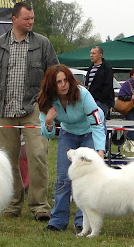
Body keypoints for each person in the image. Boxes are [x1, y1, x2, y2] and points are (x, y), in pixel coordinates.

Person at [0, 2, 58, 221]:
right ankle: (13, 204)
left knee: (38, 156)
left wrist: (52, 106)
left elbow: (55, 75)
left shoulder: (43, 44)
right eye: (27, 19)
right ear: (14, 19)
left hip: (33, 109)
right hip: (4, 110)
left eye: (32, 18)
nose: (31, 22)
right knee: (7, 161)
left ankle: (40, 206)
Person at [39, 64, 106, 233]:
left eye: (66, 80)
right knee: (63, 178)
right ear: (51, 86)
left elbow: (97, 124)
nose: (64, 85)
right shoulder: (46, 100)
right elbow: (47, 135)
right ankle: (57, 221)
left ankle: (83, 221)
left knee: (88, 177)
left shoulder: (83, 94)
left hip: (90, 131)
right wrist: (48, 122)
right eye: (58, 82)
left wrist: (100, 150)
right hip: (68, 133)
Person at [85, 46, 115, 119]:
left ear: (100, 55)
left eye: (94, 53)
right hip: (90, 101)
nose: (91, 55)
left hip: (102, 102)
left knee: (99, 123)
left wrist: (101, 99)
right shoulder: (90, 68)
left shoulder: (106, 68)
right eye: (90, 53)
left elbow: (108, 85)